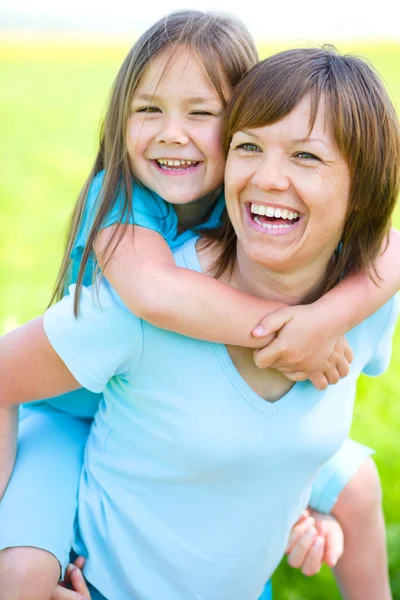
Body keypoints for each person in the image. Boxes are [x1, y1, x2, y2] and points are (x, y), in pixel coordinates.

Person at [0, 44, 399, 600]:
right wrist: (292, 327)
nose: (269, 178)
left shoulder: (368, 297)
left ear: (364, 190)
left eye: (306, 156)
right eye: (250, 147)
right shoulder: (134, 299)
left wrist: (303, 499)